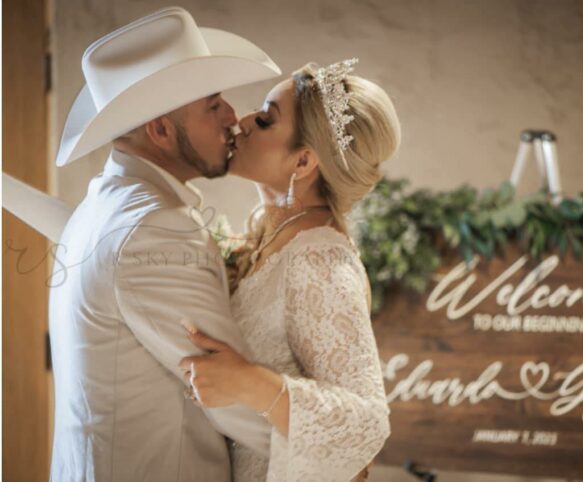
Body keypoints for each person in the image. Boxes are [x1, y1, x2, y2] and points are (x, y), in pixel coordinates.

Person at [48, 7, 282, 481]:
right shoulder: (156, 227)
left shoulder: (102, 203)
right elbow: (233, 395)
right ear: (159, 130)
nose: (233, 117)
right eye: (213, 103)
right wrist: (334, 446)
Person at [177, 58, 401, 481]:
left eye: (264, 120)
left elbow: (366, 423)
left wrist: (249, 383)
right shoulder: (271, 234)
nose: (240, 121)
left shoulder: (318, 258)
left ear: (302, 163)